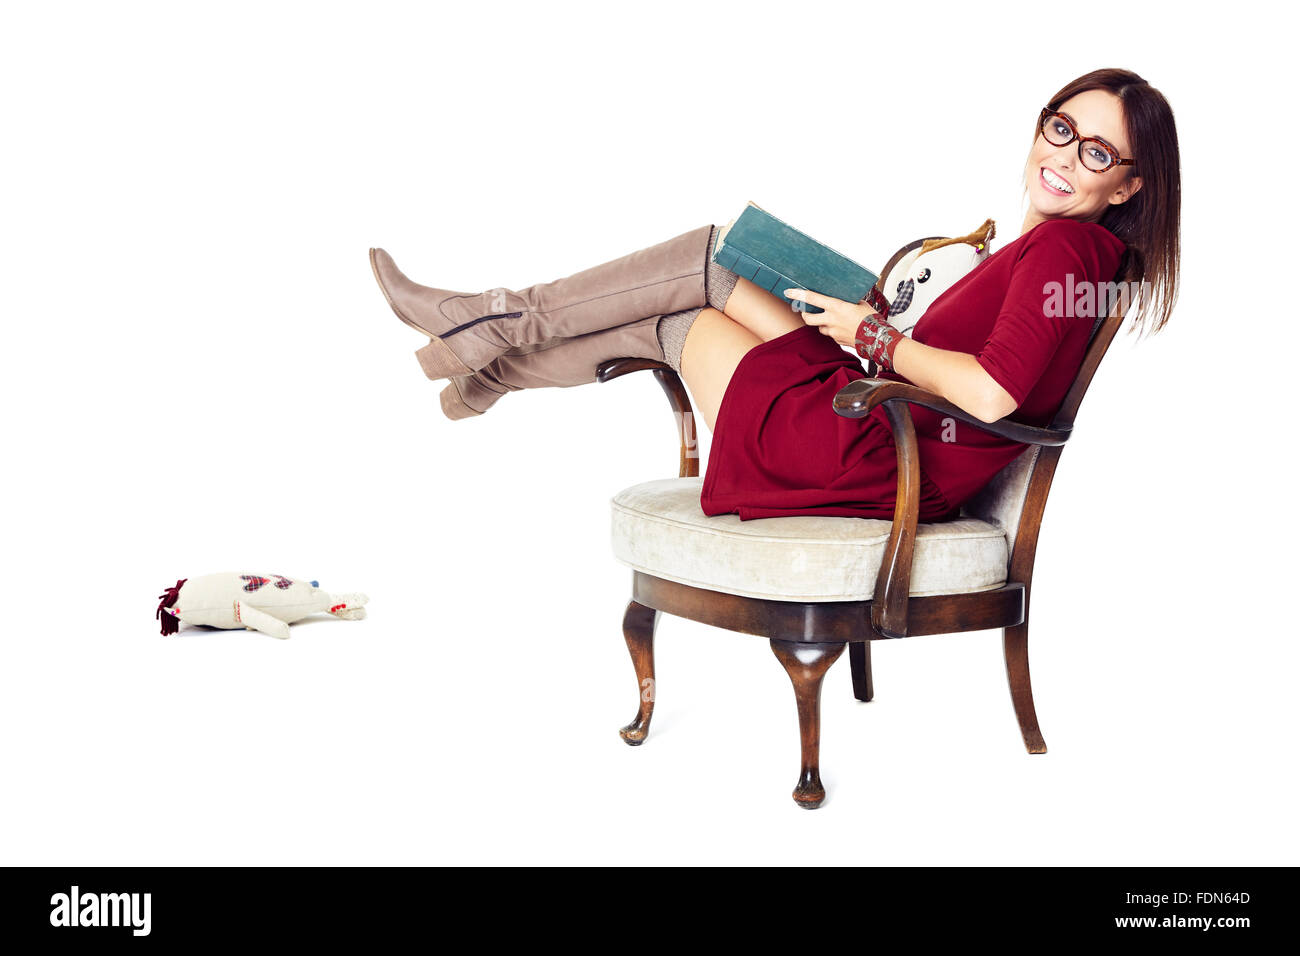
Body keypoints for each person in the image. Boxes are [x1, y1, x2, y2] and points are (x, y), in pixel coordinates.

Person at [369, 67, 1180, 523]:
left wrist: (876, 338)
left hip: (872, 456)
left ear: (1127, 184)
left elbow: (992, 393)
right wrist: (867, 323)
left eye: (1098, 152)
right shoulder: (1062, 251)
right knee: (718, 264)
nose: (1065, 156)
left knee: (692, 294)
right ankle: (486, 354)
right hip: (878, 428)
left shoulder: (1071, 246)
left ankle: (484, 337)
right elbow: (976, 370)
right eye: (1061, 127)